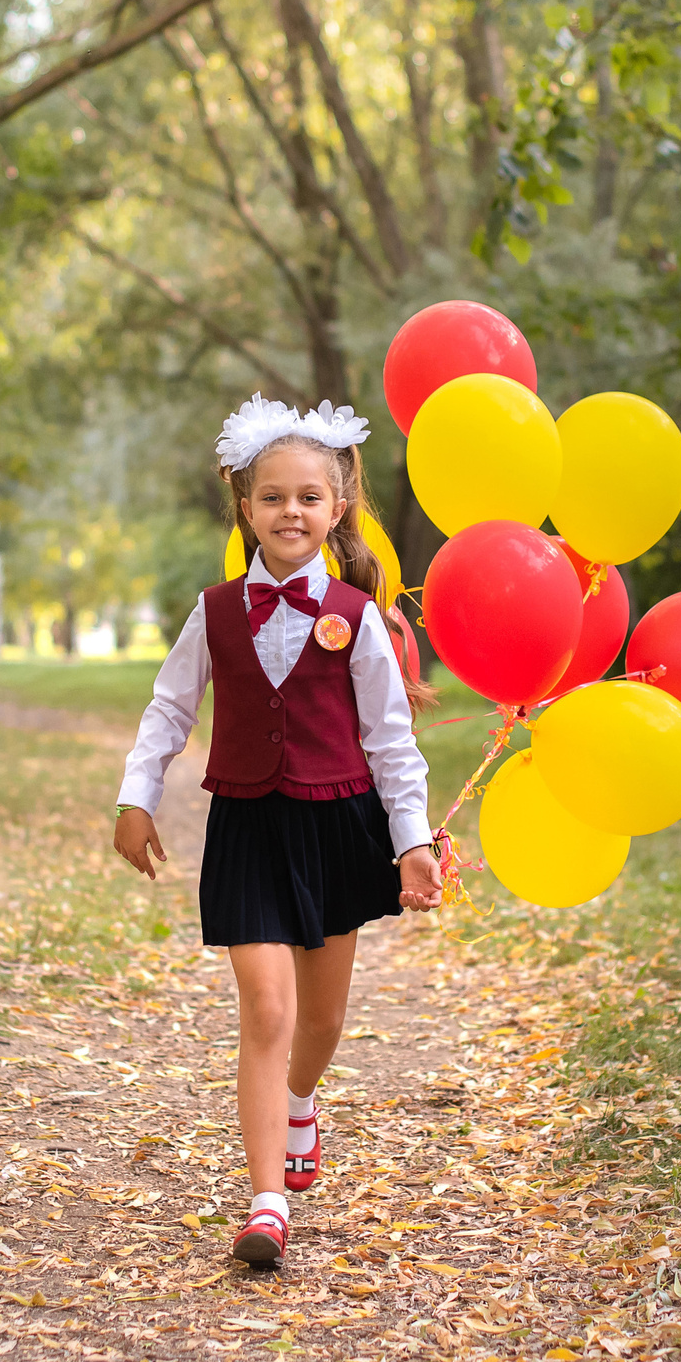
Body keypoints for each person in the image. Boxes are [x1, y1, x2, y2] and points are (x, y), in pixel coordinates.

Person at [112, 394, 443, 1267]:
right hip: (250, 825)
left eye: (308, 497)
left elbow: (390, 741)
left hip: (339, 825)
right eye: (271, 497)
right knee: (267, 1007)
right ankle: (266, 1203)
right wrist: (134, 797)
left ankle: (301, 1098)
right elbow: (169, 707)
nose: (289, 512)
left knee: (322, 1022)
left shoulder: (357, 614)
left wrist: (409, 841)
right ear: (245, 509)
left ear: (337, 510)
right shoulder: (216, 610)